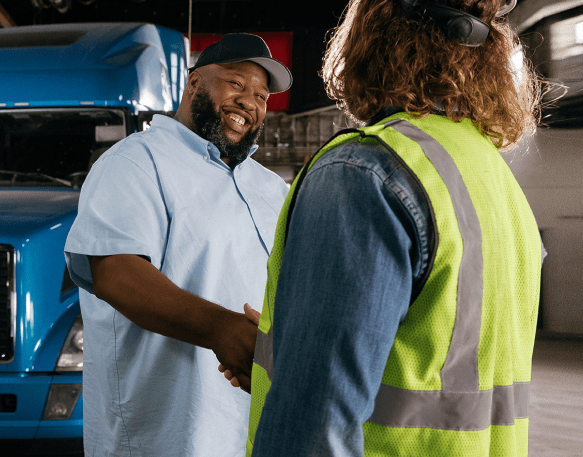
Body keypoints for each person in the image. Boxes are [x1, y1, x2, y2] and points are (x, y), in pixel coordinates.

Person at [228, 1, 546, 456]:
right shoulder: (495, 181)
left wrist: (302, 385)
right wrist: (292, 354)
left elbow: (315, 432)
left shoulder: (364, 172)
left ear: (375, 32)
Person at [64, 33, 292, 457]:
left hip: (251, 429)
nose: (250, 102)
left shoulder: (270, 188)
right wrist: (222, 329)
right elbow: (115, 272)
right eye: (237, 84)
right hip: (165, 434)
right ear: (193, 84)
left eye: (261, 95)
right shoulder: (135, 162)